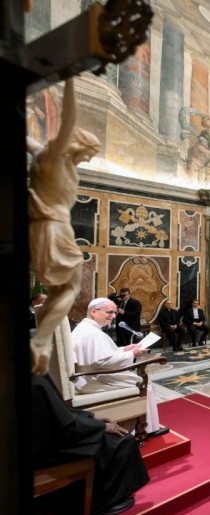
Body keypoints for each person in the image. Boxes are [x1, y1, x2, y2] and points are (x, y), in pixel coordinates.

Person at [27, 77, 101, 375]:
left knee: (62, 290)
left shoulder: (43, 156)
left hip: (45, 226)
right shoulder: (56, 157)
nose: (88, 158)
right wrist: (69, 77)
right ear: (78, 145)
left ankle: (40, 338)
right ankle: (41, 342)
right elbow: (69, 118)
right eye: (89, 152)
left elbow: (28, 140)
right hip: (54, 228)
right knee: (69, 287)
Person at [32, 373, 150, 515]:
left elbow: (60, 413)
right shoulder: (35, 379)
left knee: (110, 438)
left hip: (47, 441)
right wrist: (101, 427)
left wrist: (89, 416)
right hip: (48, 449)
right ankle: (101, 504)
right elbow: (67, 428)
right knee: (123, 441)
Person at [71, 298, 168, 438]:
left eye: (115, 313)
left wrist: (125, 349)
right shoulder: (92, 333)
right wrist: (132, 353)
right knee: (144, 384)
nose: (114, 316)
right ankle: (144, 429)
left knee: (142, 381)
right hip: (96, 378)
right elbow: (102, 363)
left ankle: (144, 426)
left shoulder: (86, 328)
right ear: (93, 312)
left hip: (90, 375)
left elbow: (103, 355)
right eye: (109, 312)